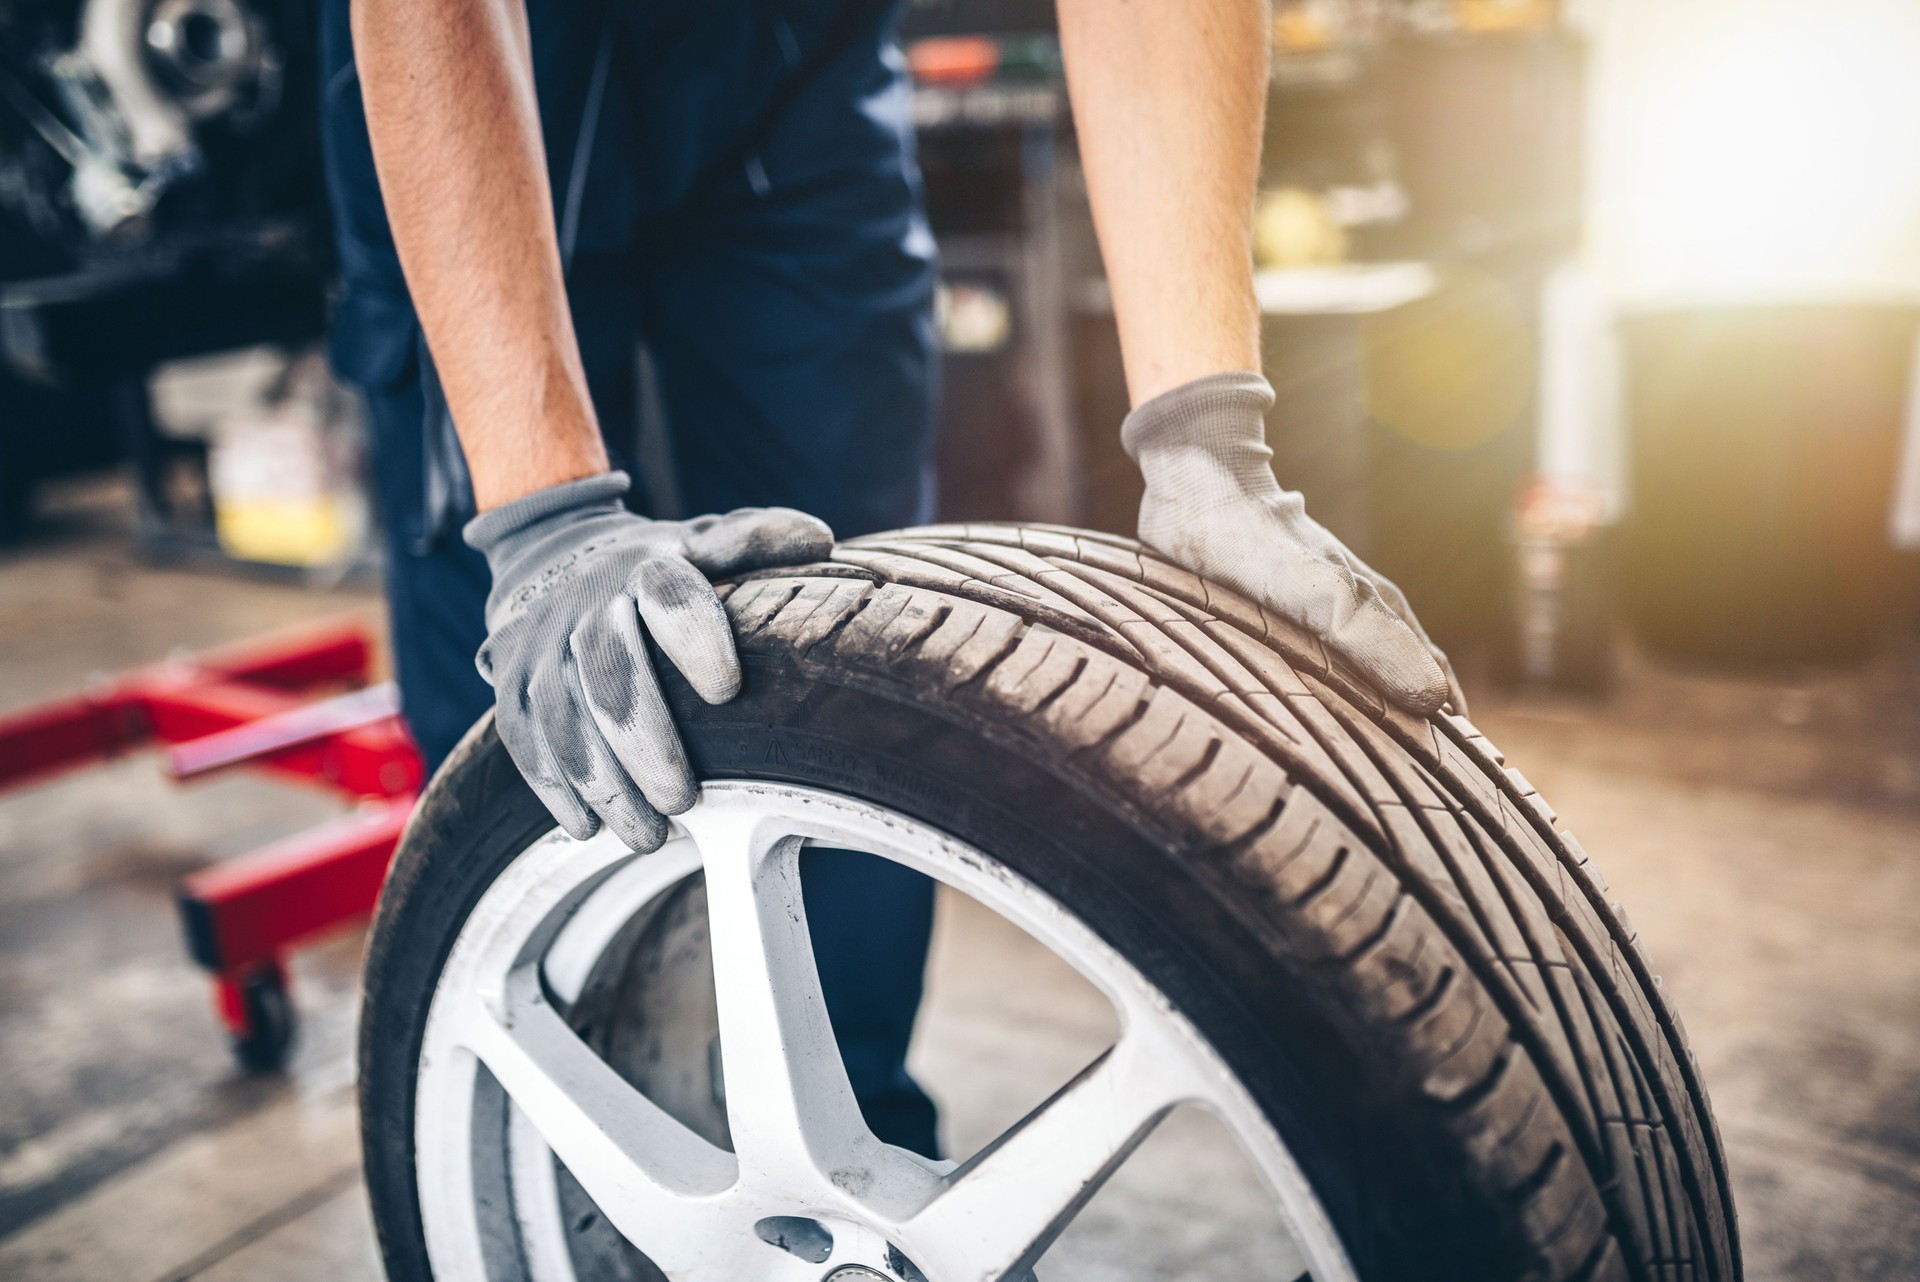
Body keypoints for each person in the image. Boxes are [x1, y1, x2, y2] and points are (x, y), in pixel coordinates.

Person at [323, 0, 1461, 1160]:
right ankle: (550, 1168)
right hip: (491, 63)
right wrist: (545, 518)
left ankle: (850, 1150)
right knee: (557, 690)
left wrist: (1204, 440)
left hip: (792, 64)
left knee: (850, 643)